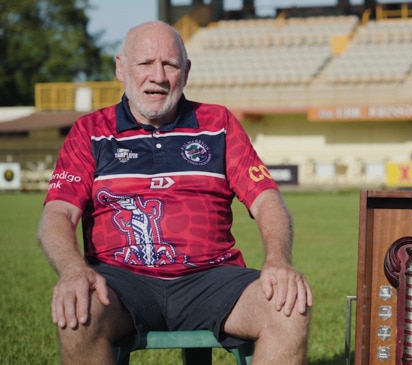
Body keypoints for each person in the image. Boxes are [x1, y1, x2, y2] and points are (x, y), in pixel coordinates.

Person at [37, 21, 312, 365]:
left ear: (187, 71)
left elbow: (267, 199)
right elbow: (57, 214)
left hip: (212, 279)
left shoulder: (219, 123)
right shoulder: (90, 132)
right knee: (81, 311)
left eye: (170, 64)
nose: (159, 76)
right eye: (145, 64)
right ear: (121, 68)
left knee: (288, 308)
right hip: (120, 280)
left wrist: (278, 261)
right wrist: (73, 270)